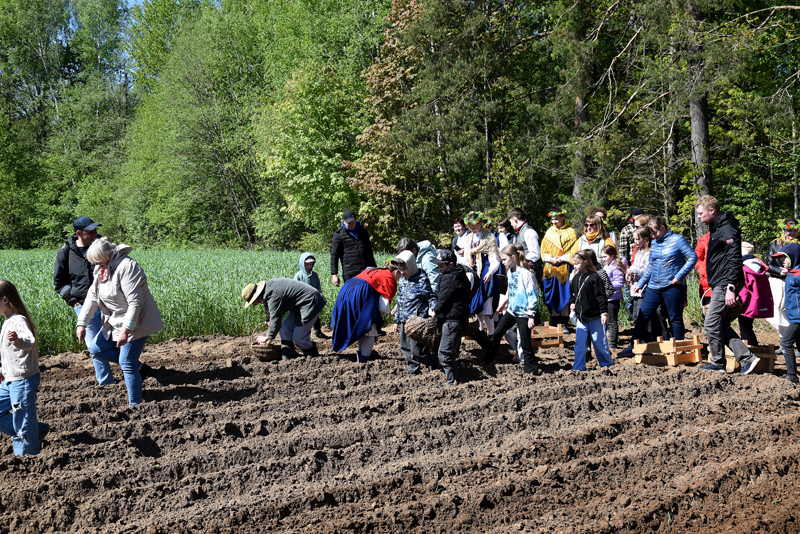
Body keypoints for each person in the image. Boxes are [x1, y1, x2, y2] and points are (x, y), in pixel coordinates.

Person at [77, 238, 164, 406]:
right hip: (114, 320)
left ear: (109, 254)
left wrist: (126, 329)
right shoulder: (101, 268)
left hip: (136, 320)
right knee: (96, 349)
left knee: (126, 363)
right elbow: (92, 297)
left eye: (99, 262)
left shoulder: (127, 267)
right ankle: (139, 368)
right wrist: (82, 323)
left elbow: (135, 303)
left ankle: (135, 405)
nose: (97, 266)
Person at [695, 196, 761, 374]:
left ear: (712, 210)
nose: (699, 217)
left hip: (726, 283)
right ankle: (747, 359)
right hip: (722, 282)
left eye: (701, 213)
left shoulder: (728, 230)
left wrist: (731, 287)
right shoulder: (718, 229)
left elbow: (734, 259)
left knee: (710, 323)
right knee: (721, 324)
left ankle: (717, 363)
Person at [619, 217, 697, 356]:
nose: (653, 236)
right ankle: (633, 345)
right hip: (654, 285)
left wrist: (679, 276)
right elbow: (651, 265)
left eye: (655, 233)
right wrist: (641, 283)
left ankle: (679, 347)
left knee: (675, 317)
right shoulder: (654, 243)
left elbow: (692, 257)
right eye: (651, 234)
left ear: (662, 227)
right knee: (643, 314)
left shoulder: (677, 240)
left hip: (672, 285)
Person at [53, 216, 107, 384]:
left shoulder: (103, 246)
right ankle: (106, 384)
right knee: (94, 347)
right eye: (90, 232)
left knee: (119, 339)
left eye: (95, 231)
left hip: (109, 303)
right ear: (78, 233)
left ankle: (135, 367)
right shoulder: (65, 252)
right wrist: (73, 301)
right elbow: (59, 283)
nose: (94, 234)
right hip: (83, 305)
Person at [0, 280, 48, 456]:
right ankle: (35, 430)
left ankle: (27, 458)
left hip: (23, 379)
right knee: (23, 423)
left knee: (22, 419)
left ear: (5, 300)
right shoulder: (7, 321)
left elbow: (30, 341)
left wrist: (18, 341)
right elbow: (6, 352)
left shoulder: (18, 320)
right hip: (10, 378)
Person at [482, 244, 540, 374]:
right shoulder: (510, 272)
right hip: (512, 310)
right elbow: (510, 289)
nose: (502, 262)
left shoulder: (526, 274)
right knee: (496, 335)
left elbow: (532, 295)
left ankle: (531, 370)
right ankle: (488, 360)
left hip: (524, 313)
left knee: (525, 343)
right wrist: (503, 304)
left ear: (513, 257)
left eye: (504, 259)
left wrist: (531, 315)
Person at [330, 264, 401, 363]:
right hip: (362, 293)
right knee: (371, 331)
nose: (399, 279)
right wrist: (377, 323)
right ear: (396, 272)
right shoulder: (389, 278)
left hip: (347, 289)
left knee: (362, 328)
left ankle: (360, 359)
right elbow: (383, 306)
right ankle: (363, 361)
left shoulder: (374, 270)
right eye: (400, 276)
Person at [245, 277, 326, 360]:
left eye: (252, 301)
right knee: (284, 328)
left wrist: (267, 337)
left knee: (299, 337)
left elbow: (276, 321)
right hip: (299, 305)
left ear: (257, 296)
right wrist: (269, 319)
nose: (254, 304)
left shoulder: (272, 295)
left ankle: (314, 358)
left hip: (310, 302)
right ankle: (287, 359)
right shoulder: (267, 291)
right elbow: (277, 310)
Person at [392, 251, 437, 376]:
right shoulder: (402, 281)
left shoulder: (421, 280)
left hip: (417, 322)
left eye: (404, 269)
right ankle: (414, 372)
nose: (402, 272)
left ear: (411, 265)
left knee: (417, 350)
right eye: (400, 269)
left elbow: (431, 297)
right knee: (405, 347)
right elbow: (400, 301)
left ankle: (435, 362)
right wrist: (396, 320)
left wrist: (435, 310)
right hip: (403, 320)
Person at [432, 249, 471, 386]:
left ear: (451, 264)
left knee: (444, 353)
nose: (439, 269)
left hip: (453, 319)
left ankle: (452, 382)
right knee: (450, 352)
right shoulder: (462, 274)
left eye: (441, 266)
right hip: (462, 317)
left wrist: (435, 312)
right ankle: (454, 379)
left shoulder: (448, 278)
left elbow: (443, 299)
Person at [569, 251, 614, 371]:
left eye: (577, 264)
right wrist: (573, 303)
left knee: (599, 343)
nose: (575, 266)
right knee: (579, 344)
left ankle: (606, 365)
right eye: (573, 264)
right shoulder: (575, 278)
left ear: (585, 262)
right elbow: (574, 295)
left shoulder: (595, 278)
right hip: (581, 317)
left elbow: (601, 296)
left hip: (595, 317)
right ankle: (578, 367)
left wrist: (604, 312)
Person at [460, 211, 501, 336]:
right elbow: (465, 257)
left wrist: (490, 272)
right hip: (472, 273)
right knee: (475, 306)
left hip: (485, 271)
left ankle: (492, 334)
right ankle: (480, 332)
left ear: (481, 224)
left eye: (475, 227)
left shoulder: (489, 237)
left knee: (487, 307)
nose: (472, 229)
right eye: (470, 227)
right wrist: (467, 263)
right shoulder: (468, 238)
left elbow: (495, 259)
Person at [541, 210, 579, 329]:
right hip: (550, 267)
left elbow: (574, 250)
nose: (554, 221)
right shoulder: (549, 232)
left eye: (556, 219)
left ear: (563, 218)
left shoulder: (571, 232)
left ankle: (564, 322)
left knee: (564, 293)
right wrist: (550, 259)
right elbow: (544, 249)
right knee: (553, 293)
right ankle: (555, 320)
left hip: (565, 266)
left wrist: (562, 258)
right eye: (552, 219)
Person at [766, 219, 798, 341]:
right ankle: (784, 339)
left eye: (795, 230)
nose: (792, 233)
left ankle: (794, 342)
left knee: (794, 310)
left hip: (796, 281)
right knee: (779, 310)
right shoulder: (775, 244)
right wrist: (780, 271)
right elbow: (768, 263)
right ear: (783, 230)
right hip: (779, 281)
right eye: (789, 230)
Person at [330, 209, 377, 287]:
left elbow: (369, 251)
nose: (351, 225)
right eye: (349, 223)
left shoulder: (363, 231)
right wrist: (334, 274)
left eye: (353, 222)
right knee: (351, 297)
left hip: (366, 271)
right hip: (350, 272)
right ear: (343, 221)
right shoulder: (339, 235)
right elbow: (334, 255)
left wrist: (374, 268)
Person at [738, 242, 773, 346]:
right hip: (756, 303)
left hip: (746, 304)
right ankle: (753, 347)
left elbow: (744, 290)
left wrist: (740, 303)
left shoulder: (744, 268)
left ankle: (751, 351)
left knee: (744, 328)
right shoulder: (760, 267)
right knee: (748, 327)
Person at [776, 244, 800, 383]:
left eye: (784, 258)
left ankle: (792, 376)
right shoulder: (793, 273)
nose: (782, 261)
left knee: (785, 343)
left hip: (798, 317)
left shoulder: (798, 274)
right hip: (795, 316)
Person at [294, 252, 329, 339]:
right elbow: (294, 288)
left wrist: (319, 297)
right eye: (307, 264)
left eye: (311, 264)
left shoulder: (314, 275)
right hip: (303, 301)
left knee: (316, 316)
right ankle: (305, 335)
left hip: (313, 300)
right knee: (304, 318)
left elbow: (318, 287)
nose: (309, 266)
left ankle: (318, 332)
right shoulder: (298, 275)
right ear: (302, 263)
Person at [507, 207, 542, 288]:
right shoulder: (522, 231)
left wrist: (520, 260)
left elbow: (535, 254)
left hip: (533, 270)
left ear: (515, 219)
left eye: (511, 221)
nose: (511, 224)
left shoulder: (528, 231)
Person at [602, 245, 626, 350]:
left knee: (612, 321)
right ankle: (605, 341)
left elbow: (620, 284)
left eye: (605, 256)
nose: (603, 259)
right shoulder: (606, 266)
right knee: (604, 321)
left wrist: (607, 285)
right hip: (606, 297)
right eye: (602, 257)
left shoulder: (616, 267)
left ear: (612, 255)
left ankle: (613, 343)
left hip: (613, 298)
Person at [694, 232, 712, 307]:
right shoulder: (705, 239)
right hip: (707, 284)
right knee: (708, 313)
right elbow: (695, 259)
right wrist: (705, 270)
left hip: (723, 283)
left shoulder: (728, 236)